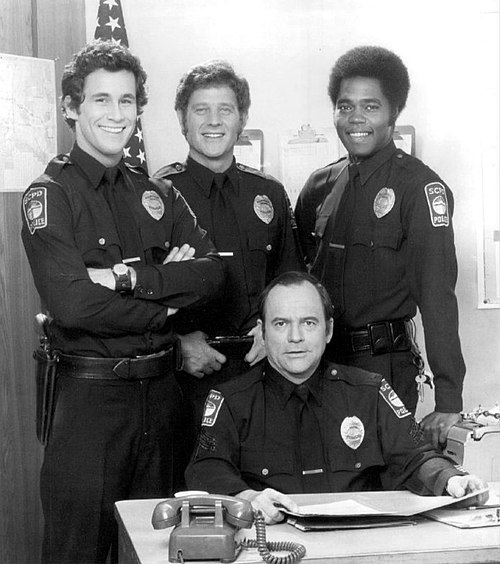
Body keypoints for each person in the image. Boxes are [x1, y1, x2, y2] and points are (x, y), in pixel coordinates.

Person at [21, 41, 224, 564]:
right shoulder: (51, 194)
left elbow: (210, 275)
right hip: (91, 401)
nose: (117, 115)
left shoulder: (155, 192)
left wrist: (124, 280)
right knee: (78, 551)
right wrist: (167, 303)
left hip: (162, 395)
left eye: (127, 101)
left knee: (158, 551)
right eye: (100, 100)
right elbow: (72, 305)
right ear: (72, 107)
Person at [185, 272, 487, 524]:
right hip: (273, 545)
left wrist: (449, 479)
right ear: (262, 334)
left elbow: (416, 456)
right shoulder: (231, 401)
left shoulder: (369, 392)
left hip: (360, 546)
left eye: (309, 323)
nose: (295, 337)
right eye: (281, 324)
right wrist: (247, 498)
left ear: (328, 330)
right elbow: (205, 469)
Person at [294, 46, 465, 449]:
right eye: (345, 106)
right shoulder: (319, 186)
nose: (356, 118)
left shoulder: (418, 188)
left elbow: (437, 294)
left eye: (371, 106)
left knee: (379, 488)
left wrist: (449, 398)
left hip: (382, 366)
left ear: (394, 114)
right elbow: (298, 280)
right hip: (318, 365)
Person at [155, 60, 303, 437]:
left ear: (242, 118)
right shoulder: (155, 194)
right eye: (200, 110)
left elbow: (292, 283)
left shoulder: (268, 193)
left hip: (261, 369)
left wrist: (275, 334)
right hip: (187, 375)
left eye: (225, 109)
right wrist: (176, 344)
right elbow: (140, 295)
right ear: (181, 119)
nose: (213, 121)